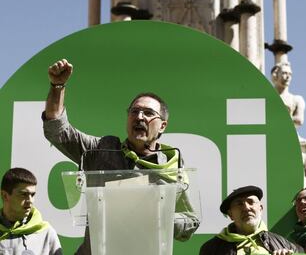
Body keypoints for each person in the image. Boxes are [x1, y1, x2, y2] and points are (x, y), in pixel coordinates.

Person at [42, 59, 199, 254]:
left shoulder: (172, 165)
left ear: (162, 126)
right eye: (135, 111)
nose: (140, 117)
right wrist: (57, 86)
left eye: (148, 113)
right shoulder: (101, 150)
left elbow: (190, 221)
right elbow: (57, 131)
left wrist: (161, 215)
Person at [199, 185, 302, 255]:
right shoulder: (211, 249)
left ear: (260, 208)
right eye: (239, 204)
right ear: (230, 214)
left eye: (251, 202)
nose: (246, 208)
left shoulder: (285, 245)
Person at [0, 168, 62, 255]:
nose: (30, 200)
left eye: (32, 195)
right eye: (24, 194)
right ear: (5, 196)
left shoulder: (46, 232)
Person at [271, 61, 305, 128]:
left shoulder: (297, 99)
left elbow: (299, 120)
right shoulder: (268, 99)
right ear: (276, 75)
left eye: (290, 74)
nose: (288, 77)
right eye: (284, 73)